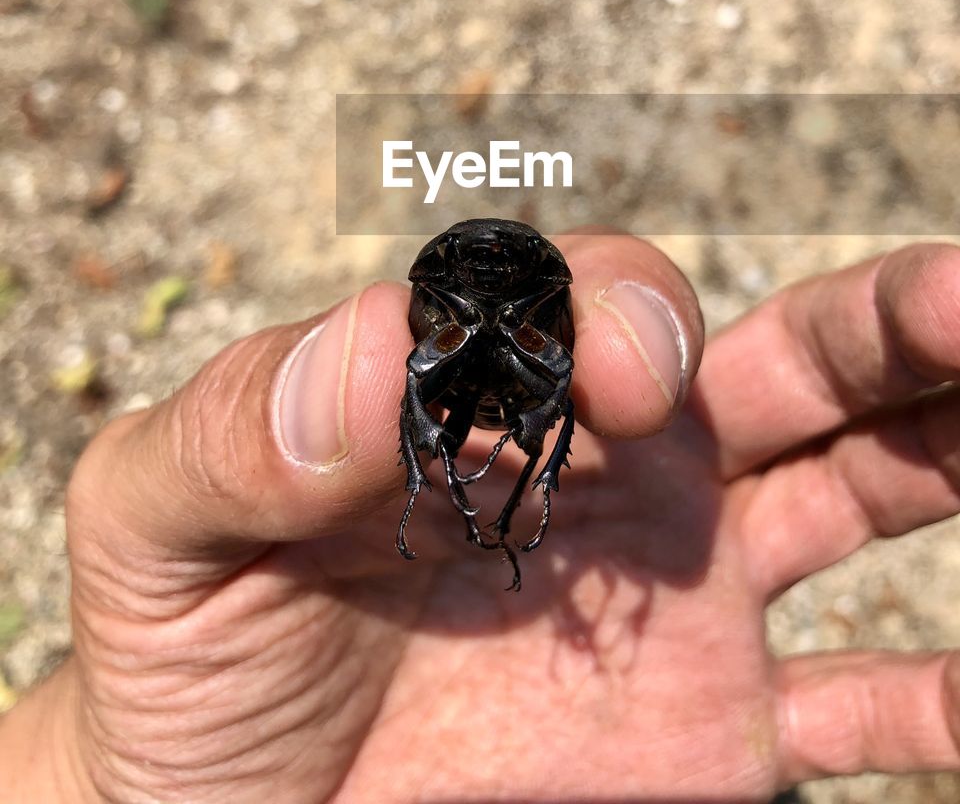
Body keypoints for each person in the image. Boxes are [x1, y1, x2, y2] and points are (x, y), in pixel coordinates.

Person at [2, 229, 959, 802]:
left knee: (519, 408)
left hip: (483, 305)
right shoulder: (469, 368)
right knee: (472, 415)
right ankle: (465, 475)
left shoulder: (503, 369)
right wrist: (93, 782)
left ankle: (470, 474)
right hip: (480, 307)